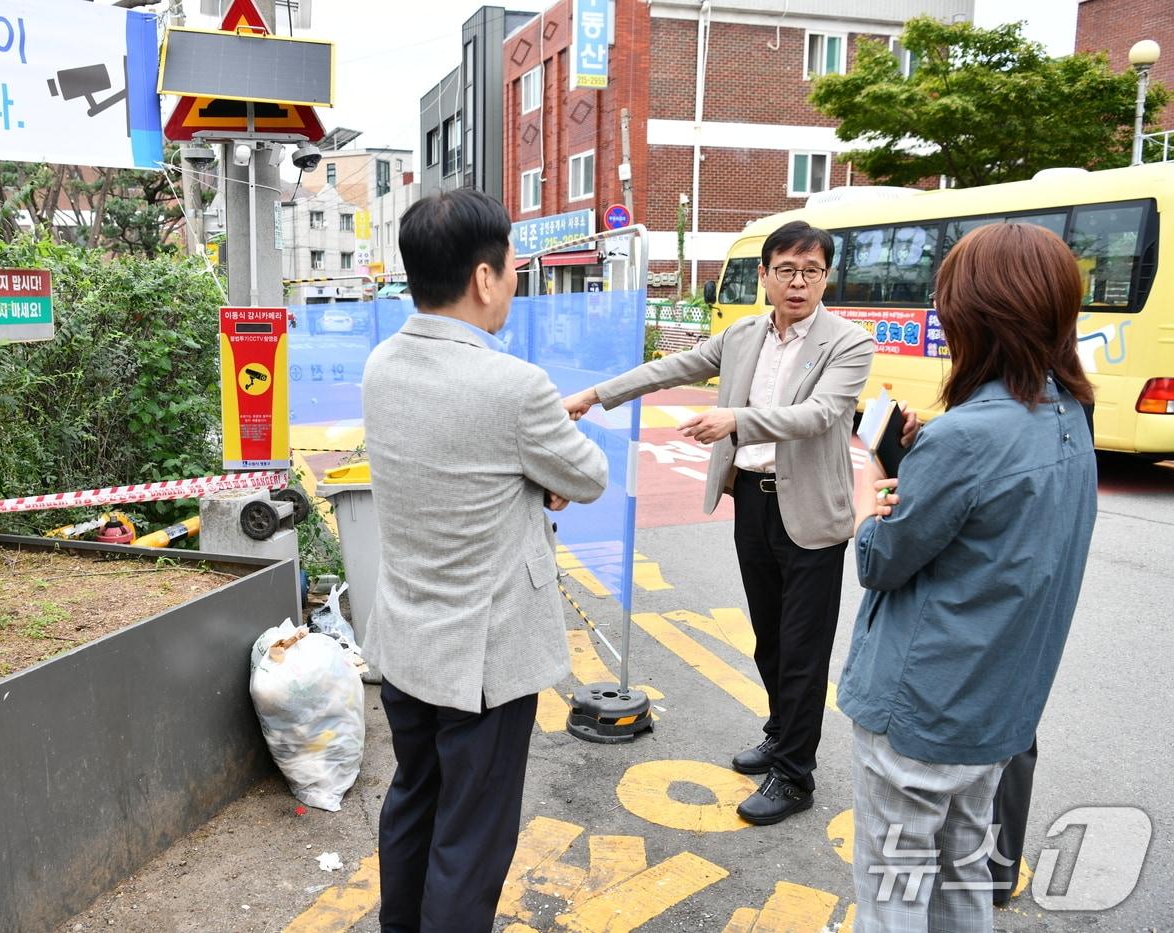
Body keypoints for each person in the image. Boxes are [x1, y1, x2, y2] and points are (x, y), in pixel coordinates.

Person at [564, 220, 875, 824]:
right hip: (753, 499)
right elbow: (673, 368)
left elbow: (819, 414)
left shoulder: (847, 343)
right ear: (764, 275)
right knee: (768, 637)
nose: (798, 283)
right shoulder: (743, 335)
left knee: (803, 649)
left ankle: (795, 775)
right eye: (786, 270)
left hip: (813, 512)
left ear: (826, 277)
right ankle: (780, 735)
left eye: (811, 271)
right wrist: (595, 395)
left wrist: (736, 420)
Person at [362, 188, 609, 933]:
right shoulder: (514, 386)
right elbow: (589, 475)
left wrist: (525, 476)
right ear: (482, 277)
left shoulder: (382, 365)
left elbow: (458, 467)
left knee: (415, 798)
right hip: (485, 657)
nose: (513, 280)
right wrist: (538, 474)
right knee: (471, 837)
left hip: (407, 638)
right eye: (511, 267)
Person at [841, 221, 1097, 930]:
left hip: (922, 708)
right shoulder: (1070, 413)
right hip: (998, 707)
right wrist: (926, 458)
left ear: (976, 316)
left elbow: (880, 561)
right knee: (963, 875)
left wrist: (867, 500)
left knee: (894, 893)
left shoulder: (965, 437)